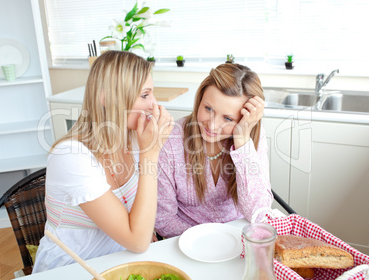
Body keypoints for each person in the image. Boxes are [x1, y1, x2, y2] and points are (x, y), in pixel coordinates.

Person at [33, 51, 174, 272]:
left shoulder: (135, 138)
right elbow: (137, 241)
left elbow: (142, 226)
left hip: (121, 260)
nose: (153, 105)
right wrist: (151, 154)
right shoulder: (71, 156)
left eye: (152, 94)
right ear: (106, 98)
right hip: (71, 269)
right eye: (145, 95)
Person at [154, 63, 273, 238]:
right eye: (208, 108)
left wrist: (241, 141)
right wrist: (209, 240)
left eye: (228, 118)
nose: (212, 125)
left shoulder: (251, 138)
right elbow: (163, 220)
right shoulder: (171, 141)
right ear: (199, 101)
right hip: (187, 241)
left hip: (237, 237)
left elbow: (259, 213)